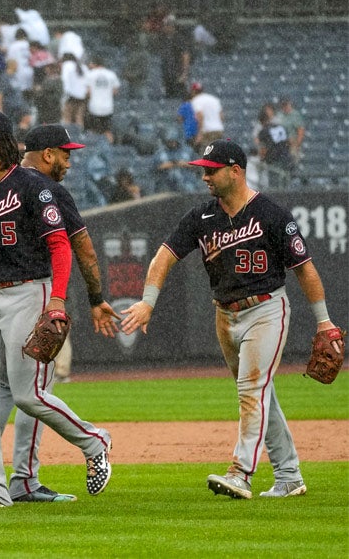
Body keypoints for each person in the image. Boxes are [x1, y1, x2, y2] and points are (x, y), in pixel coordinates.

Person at [121, 139, 342, 500]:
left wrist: (324, 321)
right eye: (203, 170)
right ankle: (288, 476)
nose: (204, 176)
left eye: (212, 170)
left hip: (266, 309)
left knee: (250, 390)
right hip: (224, 314)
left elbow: (305, 269)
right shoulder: (201, 216)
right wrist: (148, 301)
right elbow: (164, 257)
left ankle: (240, 472)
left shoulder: (271, 214)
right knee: (260, 392)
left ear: (236, 171)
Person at [0, 110, 112, 508]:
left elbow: (61, 246)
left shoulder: (33, 186)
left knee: (27, 395)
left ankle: (95, 441)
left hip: (30, 291)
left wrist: (57, 300)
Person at [190, 82, 224, 151]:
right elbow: (221, 116)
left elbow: (200, 116)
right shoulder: (213, 99)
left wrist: (200, 133)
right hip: (218, 129)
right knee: (217, 154)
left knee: (206, 155)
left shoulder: (196, 100)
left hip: (207, 131)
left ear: (193, 91)